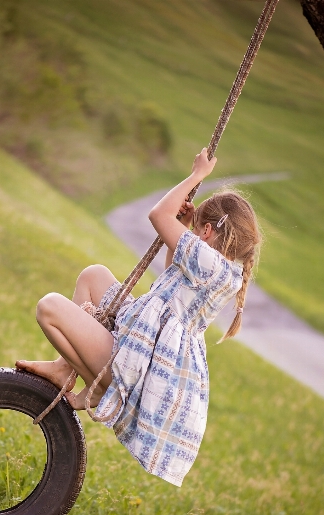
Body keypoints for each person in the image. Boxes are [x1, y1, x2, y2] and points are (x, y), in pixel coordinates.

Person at [16, 148, 262, 486]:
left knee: (50, 307)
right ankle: (64, 369)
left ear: (207, 232)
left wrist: (197, 176)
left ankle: (102, 389)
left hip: (136, 362)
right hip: (138, 345)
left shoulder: (211, 263)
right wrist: (183, 226)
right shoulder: (222, 269)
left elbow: (158, 215)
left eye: (195, 231)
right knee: (94, 275)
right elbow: (170, 275)